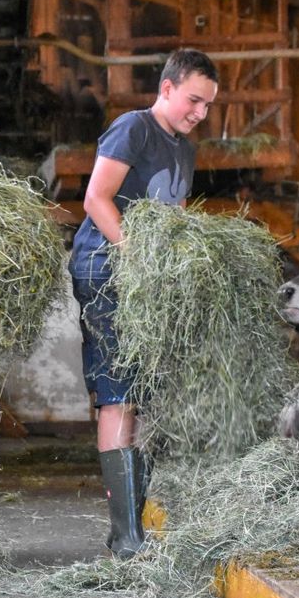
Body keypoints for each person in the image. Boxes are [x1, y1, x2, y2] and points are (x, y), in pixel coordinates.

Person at [68, 48, 219, 558]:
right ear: (169, 87)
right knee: (120, 393)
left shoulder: (186, 150)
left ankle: (132, 522)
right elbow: (96, 199)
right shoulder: (133, 128)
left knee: (148, 395)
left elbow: (172, 216)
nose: (199, 113)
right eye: (194, 100)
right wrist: (139, 256)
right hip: (107, 271)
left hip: (147, 284)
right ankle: (124, 533)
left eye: (207, 106)